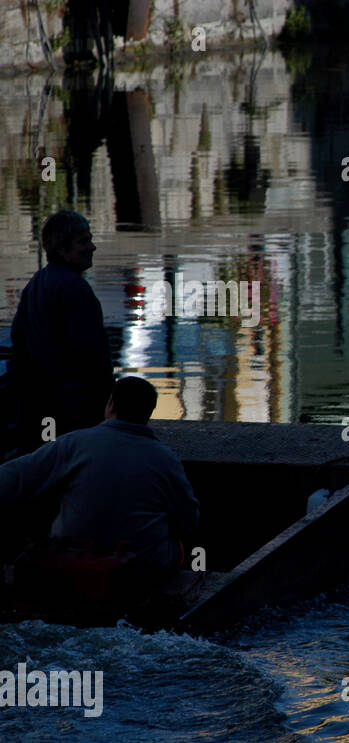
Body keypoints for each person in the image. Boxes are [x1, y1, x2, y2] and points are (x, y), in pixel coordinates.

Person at [0, 376, 199, 595]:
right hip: (138, 568)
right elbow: (189, 520)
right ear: (148, 414)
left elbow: (13, 478)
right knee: (177, 547)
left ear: (111, 404)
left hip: (72, 559)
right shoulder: (166, 458)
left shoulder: (73, 443)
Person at [7, 210, 114, 453]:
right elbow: (94, 354)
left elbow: (19, 342)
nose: (92, 247)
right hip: (71, 406)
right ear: (62, 249)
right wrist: (107, 402)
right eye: (83, 241)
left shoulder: (37, 283)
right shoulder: (75, 288)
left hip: (39, 404)